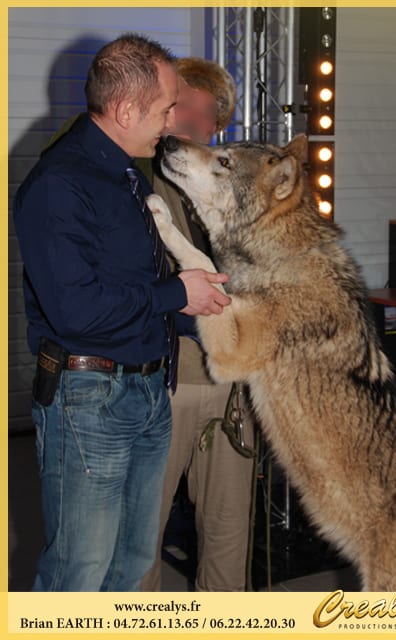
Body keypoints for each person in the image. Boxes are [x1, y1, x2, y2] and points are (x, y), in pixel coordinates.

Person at [13, 34, 230, 592]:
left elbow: (144, 285)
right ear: (127, 109)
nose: (170, 121)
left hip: (148, 392)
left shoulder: (129, 173)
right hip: (89, 401)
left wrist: (210, 313)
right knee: (78, 574)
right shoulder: (59, 183)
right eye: (164, 110)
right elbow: (76, 311)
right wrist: (177, 296)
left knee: (130, 570)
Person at [140, 58, 256, 592]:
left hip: (230, 383)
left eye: (204, 112)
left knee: (230, 528)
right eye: (179, 102)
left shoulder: (229, 185)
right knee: (142, 533)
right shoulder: (134, 170)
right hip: (164, 379)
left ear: (218, 127)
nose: (187, 116)